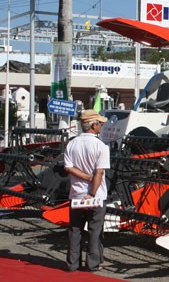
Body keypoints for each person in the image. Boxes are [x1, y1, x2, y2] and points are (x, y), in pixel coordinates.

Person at [64, 109, 110, 272]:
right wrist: (91, 191)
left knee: (75, 230)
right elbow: (99, 172)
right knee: (94, 231)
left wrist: (85, 177)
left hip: (76, 194)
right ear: (94, 125)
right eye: (100, 123)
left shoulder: (72, 144)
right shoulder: (101, 146)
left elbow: (69, 168)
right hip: (95, 196)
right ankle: (92, 264)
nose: (102, 126)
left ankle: (72, 263)